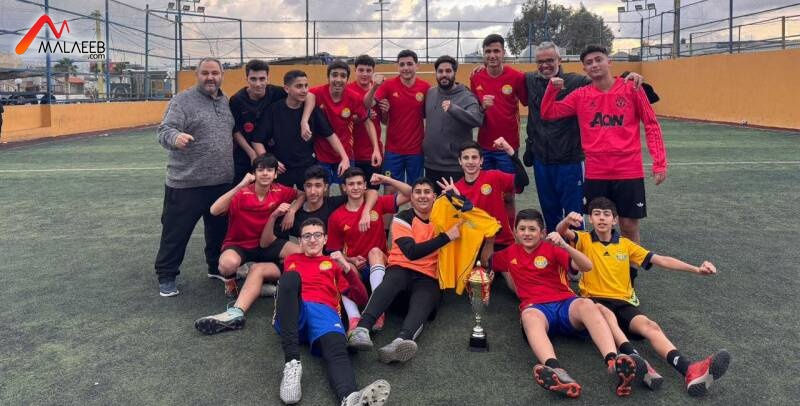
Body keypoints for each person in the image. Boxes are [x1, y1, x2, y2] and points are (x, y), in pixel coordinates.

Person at [557, 197, 731, 397]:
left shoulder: (626, 245)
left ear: (615, 220)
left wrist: (696, 269)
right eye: (596, 214)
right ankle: (638, 361)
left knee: (650, 326)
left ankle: (689, 370)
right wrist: (567, 220)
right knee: (607, 315)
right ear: (591, 219)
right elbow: (560, 232)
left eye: (606, 214)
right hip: (595, 301)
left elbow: (661, 260)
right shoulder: (583, 239)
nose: (601, 218)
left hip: (623, 302)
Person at [491, 209, 646, 398]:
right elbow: (487, 262)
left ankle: (614, 362)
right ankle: (557, 371)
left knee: (587, 305)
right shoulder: (509, 253)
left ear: (542, 232)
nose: (527, 233)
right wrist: (489, 239)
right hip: (537, 309)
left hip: (565, 303)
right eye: (522, 229)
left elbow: (586, 266)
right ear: (515, 232)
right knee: (528, 315)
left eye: (532, 229)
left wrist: (565, 245)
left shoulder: (553, 248)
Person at [540, 44, 668, 246]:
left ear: (609, 62)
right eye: (589, 62)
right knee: (600, 226)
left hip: (628, 170)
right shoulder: (580, 95)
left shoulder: (632, 88)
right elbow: (548, 113)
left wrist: (659, 163)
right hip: (596, 172)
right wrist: (551, 90)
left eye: (598, 59)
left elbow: (651, 124)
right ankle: (602, 264)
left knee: (628, 225)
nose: (594, 65)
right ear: (584, 68)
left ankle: (630, 266)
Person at [524, 42, 644, 232]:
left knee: (575, 215)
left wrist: (628, 76)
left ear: (559, 60)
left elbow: (603, 81)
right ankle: (555, 248)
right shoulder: (530, 79)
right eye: (540, 61)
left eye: (550, 60)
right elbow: (506, 77)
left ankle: (576, 249)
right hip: (541, 159)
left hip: (570, 160)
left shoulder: (576, 81)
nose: (545, 65)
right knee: (550, 211)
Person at [273, 218, 389, 405]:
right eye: (307, 236)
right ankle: (292, 365)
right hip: (296, 311)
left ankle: (350, 398)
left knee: (336, 349)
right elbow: (286, 290)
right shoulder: (291, 259)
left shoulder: (334, 264)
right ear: (300, 241)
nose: (312, 240)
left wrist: (347, 268)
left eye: (317, 235)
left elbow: (361, 299)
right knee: (289, 278)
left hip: (324, 312)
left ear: (325, 239)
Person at [347, 178, 460, 364]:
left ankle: (400, 343)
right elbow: (411, 252)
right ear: (411, 197)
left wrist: (458, 198)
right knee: (392, 280)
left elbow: (471, 218)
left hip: (429, 276)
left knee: (425, 297)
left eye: (427, 192)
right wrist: (446, 237)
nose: (422, 196)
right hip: (401, 271)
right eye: (418, 192)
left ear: (434, 196)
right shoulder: (403, 217)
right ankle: (361, 329)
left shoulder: (444, 217)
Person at [154, 57, 234, 297]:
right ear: (197, 75)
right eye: (205, 73)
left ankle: (215, 267)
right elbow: (164, 130)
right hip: (186, 183)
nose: (210, 77)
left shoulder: (225, 101)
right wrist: (175, 138)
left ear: (222, 75)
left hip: (221, 183)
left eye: (215, 73)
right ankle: (167, 275)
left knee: (218, 232)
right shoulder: (182, 100)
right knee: (176, 233)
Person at [326, 168, 412, 331]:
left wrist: (386, 180)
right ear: (344, 187)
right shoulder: (336, 217)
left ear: (365, 185)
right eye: (351, 184)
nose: (355, 187)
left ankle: (377, 311)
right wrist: (351, 260)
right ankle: (353, 318)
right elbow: (333, 252)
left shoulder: (377, 203)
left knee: (374, 252)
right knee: (342, 266)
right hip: (356, 269)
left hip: (381, 264)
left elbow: (410, 194)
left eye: (359, 183)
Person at [205, 153, 300, 299]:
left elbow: (302, 195)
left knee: (301, 253)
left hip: (267, 242)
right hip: (239, 243)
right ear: (254, 173)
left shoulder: (279, 190)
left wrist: (292, 210)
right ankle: (231, 283)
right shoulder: (242, 193)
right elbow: (214, 210)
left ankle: (268, 279)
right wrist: (241, 185)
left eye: (269, 170)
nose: (265, 173)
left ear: (275, 174)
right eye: (260, 170)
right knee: (227, 265)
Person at [253, 70, 349, 190]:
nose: (304, 90)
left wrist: (344, 157)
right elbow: (257, 141)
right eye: (299, 86)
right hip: (282, 169)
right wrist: (270, 161)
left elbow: (330, 134)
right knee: (281, 201)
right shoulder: (273, 110)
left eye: (306, 86)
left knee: (312, 199)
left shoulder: (312, 110)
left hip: (307, 167)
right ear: (287, 89)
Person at [228, 59, 314, 184]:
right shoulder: (237, 100)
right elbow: (235, 130)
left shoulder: (276, 92)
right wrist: (252, 154)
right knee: (243, 189)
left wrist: (304, 121)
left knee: (268, 191)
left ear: (268, 78)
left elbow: (310, 96)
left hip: (268, 152)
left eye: (262, 79)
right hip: (246, 153)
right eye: (253, 79)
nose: (258, 84)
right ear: (247, 79)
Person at [364, 50, 430, 189]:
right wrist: (374, 87)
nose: (406, 68)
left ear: (417, 65)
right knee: (390, 190)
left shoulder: (425, 87)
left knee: (416, 190)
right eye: (402, 64)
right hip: (393, 150)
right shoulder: (388, 85)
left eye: (409, 64)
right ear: (397, 66)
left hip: (416, 151)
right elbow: (368, 104)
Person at [310, 60, 380, 186]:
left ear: (347, 79)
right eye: (334, 75)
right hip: (322, 154)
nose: (338, 79)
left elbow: (367, 121)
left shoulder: (354, 97)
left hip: (346, 153)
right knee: (322, 192)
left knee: (348, 192)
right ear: (328, 77)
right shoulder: (316, 93)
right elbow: (300, 95)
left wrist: (376, 149)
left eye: (343, 76)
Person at [423, 55, 484, 194]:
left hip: (454, 167)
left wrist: (454, 109)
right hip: (431, 164)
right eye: (440, 71)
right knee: (434, 204)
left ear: (454, 72)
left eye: (448, 71)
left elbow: (477, 119)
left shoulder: (466, 96)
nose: (444, 75)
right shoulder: (431, 93)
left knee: (455, 204)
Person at [469, 34, 528, 174]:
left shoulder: (517, 77)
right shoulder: (475, 77)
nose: (492, 55)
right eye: (488, 52)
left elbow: (526, 102)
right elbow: (474, 109)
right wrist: (482, 107)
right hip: (484, 144)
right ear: (483, 54)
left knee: (508, 186)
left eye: (496, 51)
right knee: (486, 185)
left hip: (508, 144)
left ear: (503, 52)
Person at [346, 55, 384, 188]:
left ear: (373, 72)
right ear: (355, 70)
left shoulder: (380, 89)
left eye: (368, 70)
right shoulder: (347, 90)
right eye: (361, 70)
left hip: (373, 152)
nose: (365, 74)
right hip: (351, 152)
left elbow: (384, 121)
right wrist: (359, 117)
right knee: (352, 192)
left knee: (372, 191)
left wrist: (385, 111)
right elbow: (341, 118)